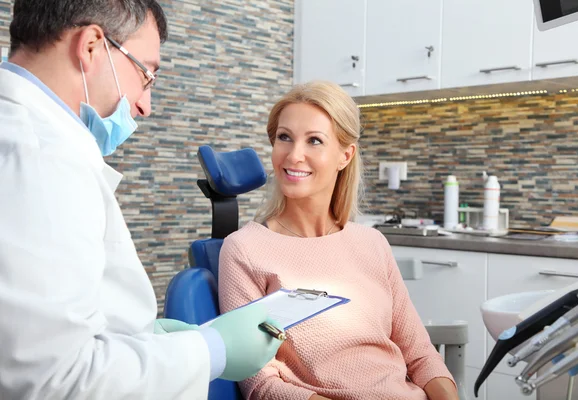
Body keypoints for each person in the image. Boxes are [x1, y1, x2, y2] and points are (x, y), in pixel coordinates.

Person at [0, 1, 282, 398]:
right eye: (146, 74)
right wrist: (212, 351)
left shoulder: (31, 142)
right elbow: (52, 380)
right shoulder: (39, 159)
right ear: (92, 46)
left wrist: (141, 336)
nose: (145, 107)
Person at [218, 80, 459, 400]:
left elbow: (420, 356)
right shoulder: (245, 249)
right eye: (284, 137)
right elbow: (260, 383)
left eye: (314, 140)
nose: (294, 155)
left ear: (345, 156)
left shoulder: (372, 243)